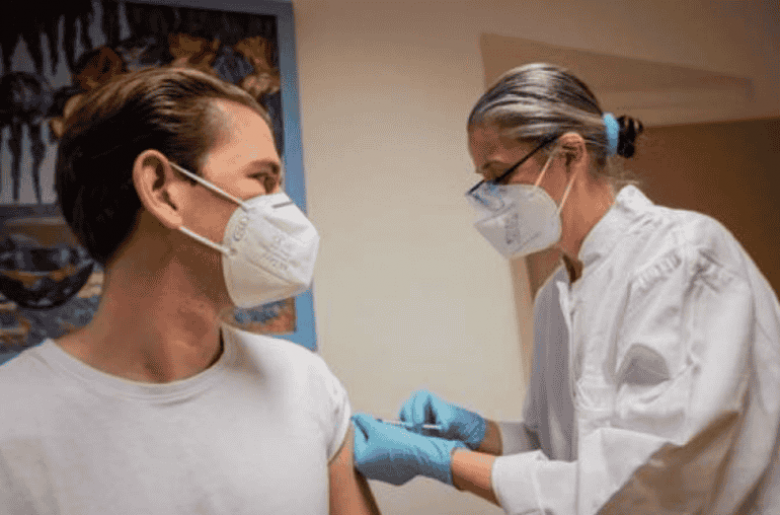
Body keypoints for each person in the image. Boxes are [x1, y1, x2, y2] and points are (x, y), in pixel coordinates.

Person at [351, 63, 780, 514]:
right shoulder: (554, 297)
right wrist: (479, 433)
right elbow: (563, 451)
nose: (491, 198)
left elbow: (642, 480)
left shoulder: (681, 257)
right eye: (483, 180)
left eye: (498, 175)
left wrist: (445, 462)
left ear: (570, 154)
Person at [0, 67, 380, 515]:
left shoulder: (307, 385)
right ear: (161, 190)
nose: (285, 209)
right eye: (263, 179)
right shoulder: (12, 419)